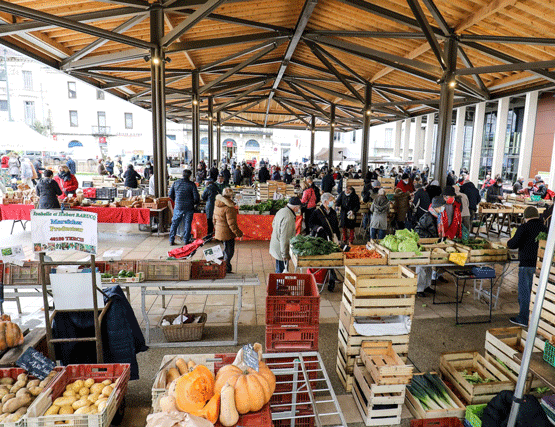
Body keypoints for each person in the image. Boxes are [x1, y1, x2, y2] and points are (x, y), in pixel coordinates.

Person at [507, 207, 547, 327]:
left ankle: (524, 318)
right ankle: (536, 319)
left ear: (526, 216)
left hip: (526, 264)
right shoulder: (544, 228)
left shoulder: (524, 227)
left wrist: (509, 241)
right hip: (540, 265)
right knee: (537, 293)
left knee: (525, 292)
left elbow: (513, 244)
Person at [414, 197, 446, 296]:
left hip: (431, 244)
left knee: (428, 267)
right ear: (437, 207)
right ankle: (419, 289)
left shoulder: (437, 216)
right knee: (422, 266)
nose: (443, 208)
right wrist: (430, 238)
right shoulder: (428, 216)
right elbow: (418, 230)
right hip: (424, 244)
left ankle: (426, 286)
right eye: (442, 206)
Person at [310, 193, 341, 291]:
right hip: (321, 239)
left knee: (331, 259)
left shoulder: (332, 212)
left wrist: (338, 238)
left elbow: (335, 226)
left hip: (331, 239)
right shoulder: (317, 212)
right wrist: (317, 228)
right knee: (325, 260)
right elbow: (310, 223)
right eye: (331, 200)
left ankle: (331, 279)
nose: (333, 202)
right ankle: (327, 277)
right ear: (325, 201)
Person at [214, 188, 243, 273]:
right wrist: (239, 233)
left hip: (220, 230)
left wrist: (217, 228)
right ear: (231, 195)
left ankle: (223, 265)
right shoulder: (229, 207)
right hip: (227, 232)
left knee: (226, 249)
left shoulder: (218, 203)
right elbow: (232, 224)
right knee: (229, 251)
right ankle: (225, 268)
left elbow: (214, 218)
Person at [269, 197, 301, 274]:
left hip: (276, 243)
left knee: (279, 268)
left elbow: (273, 224)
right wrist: (284, 254)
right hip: (281, 248)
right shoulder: (289, 218)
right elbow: (285, 238)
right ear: (295, 207)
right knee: (281, 271)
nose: (299, 209)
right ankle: (279, 286)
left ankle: (279, 284)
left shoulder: (282, 210)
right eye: (299, 207)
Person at [169, 169, 200, 245]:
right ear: (189, 176)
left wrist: (176, 201)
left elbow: (170, 195)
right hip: (189, 207)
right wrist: (194, 203)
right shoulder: (192, 184)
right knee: (187, 223)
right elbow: (196, 197)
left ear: (182, 175)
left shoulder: (176, 183)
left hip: (178, 206)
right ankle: (186, 240)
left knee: (175, 223)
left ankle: (171, 240)